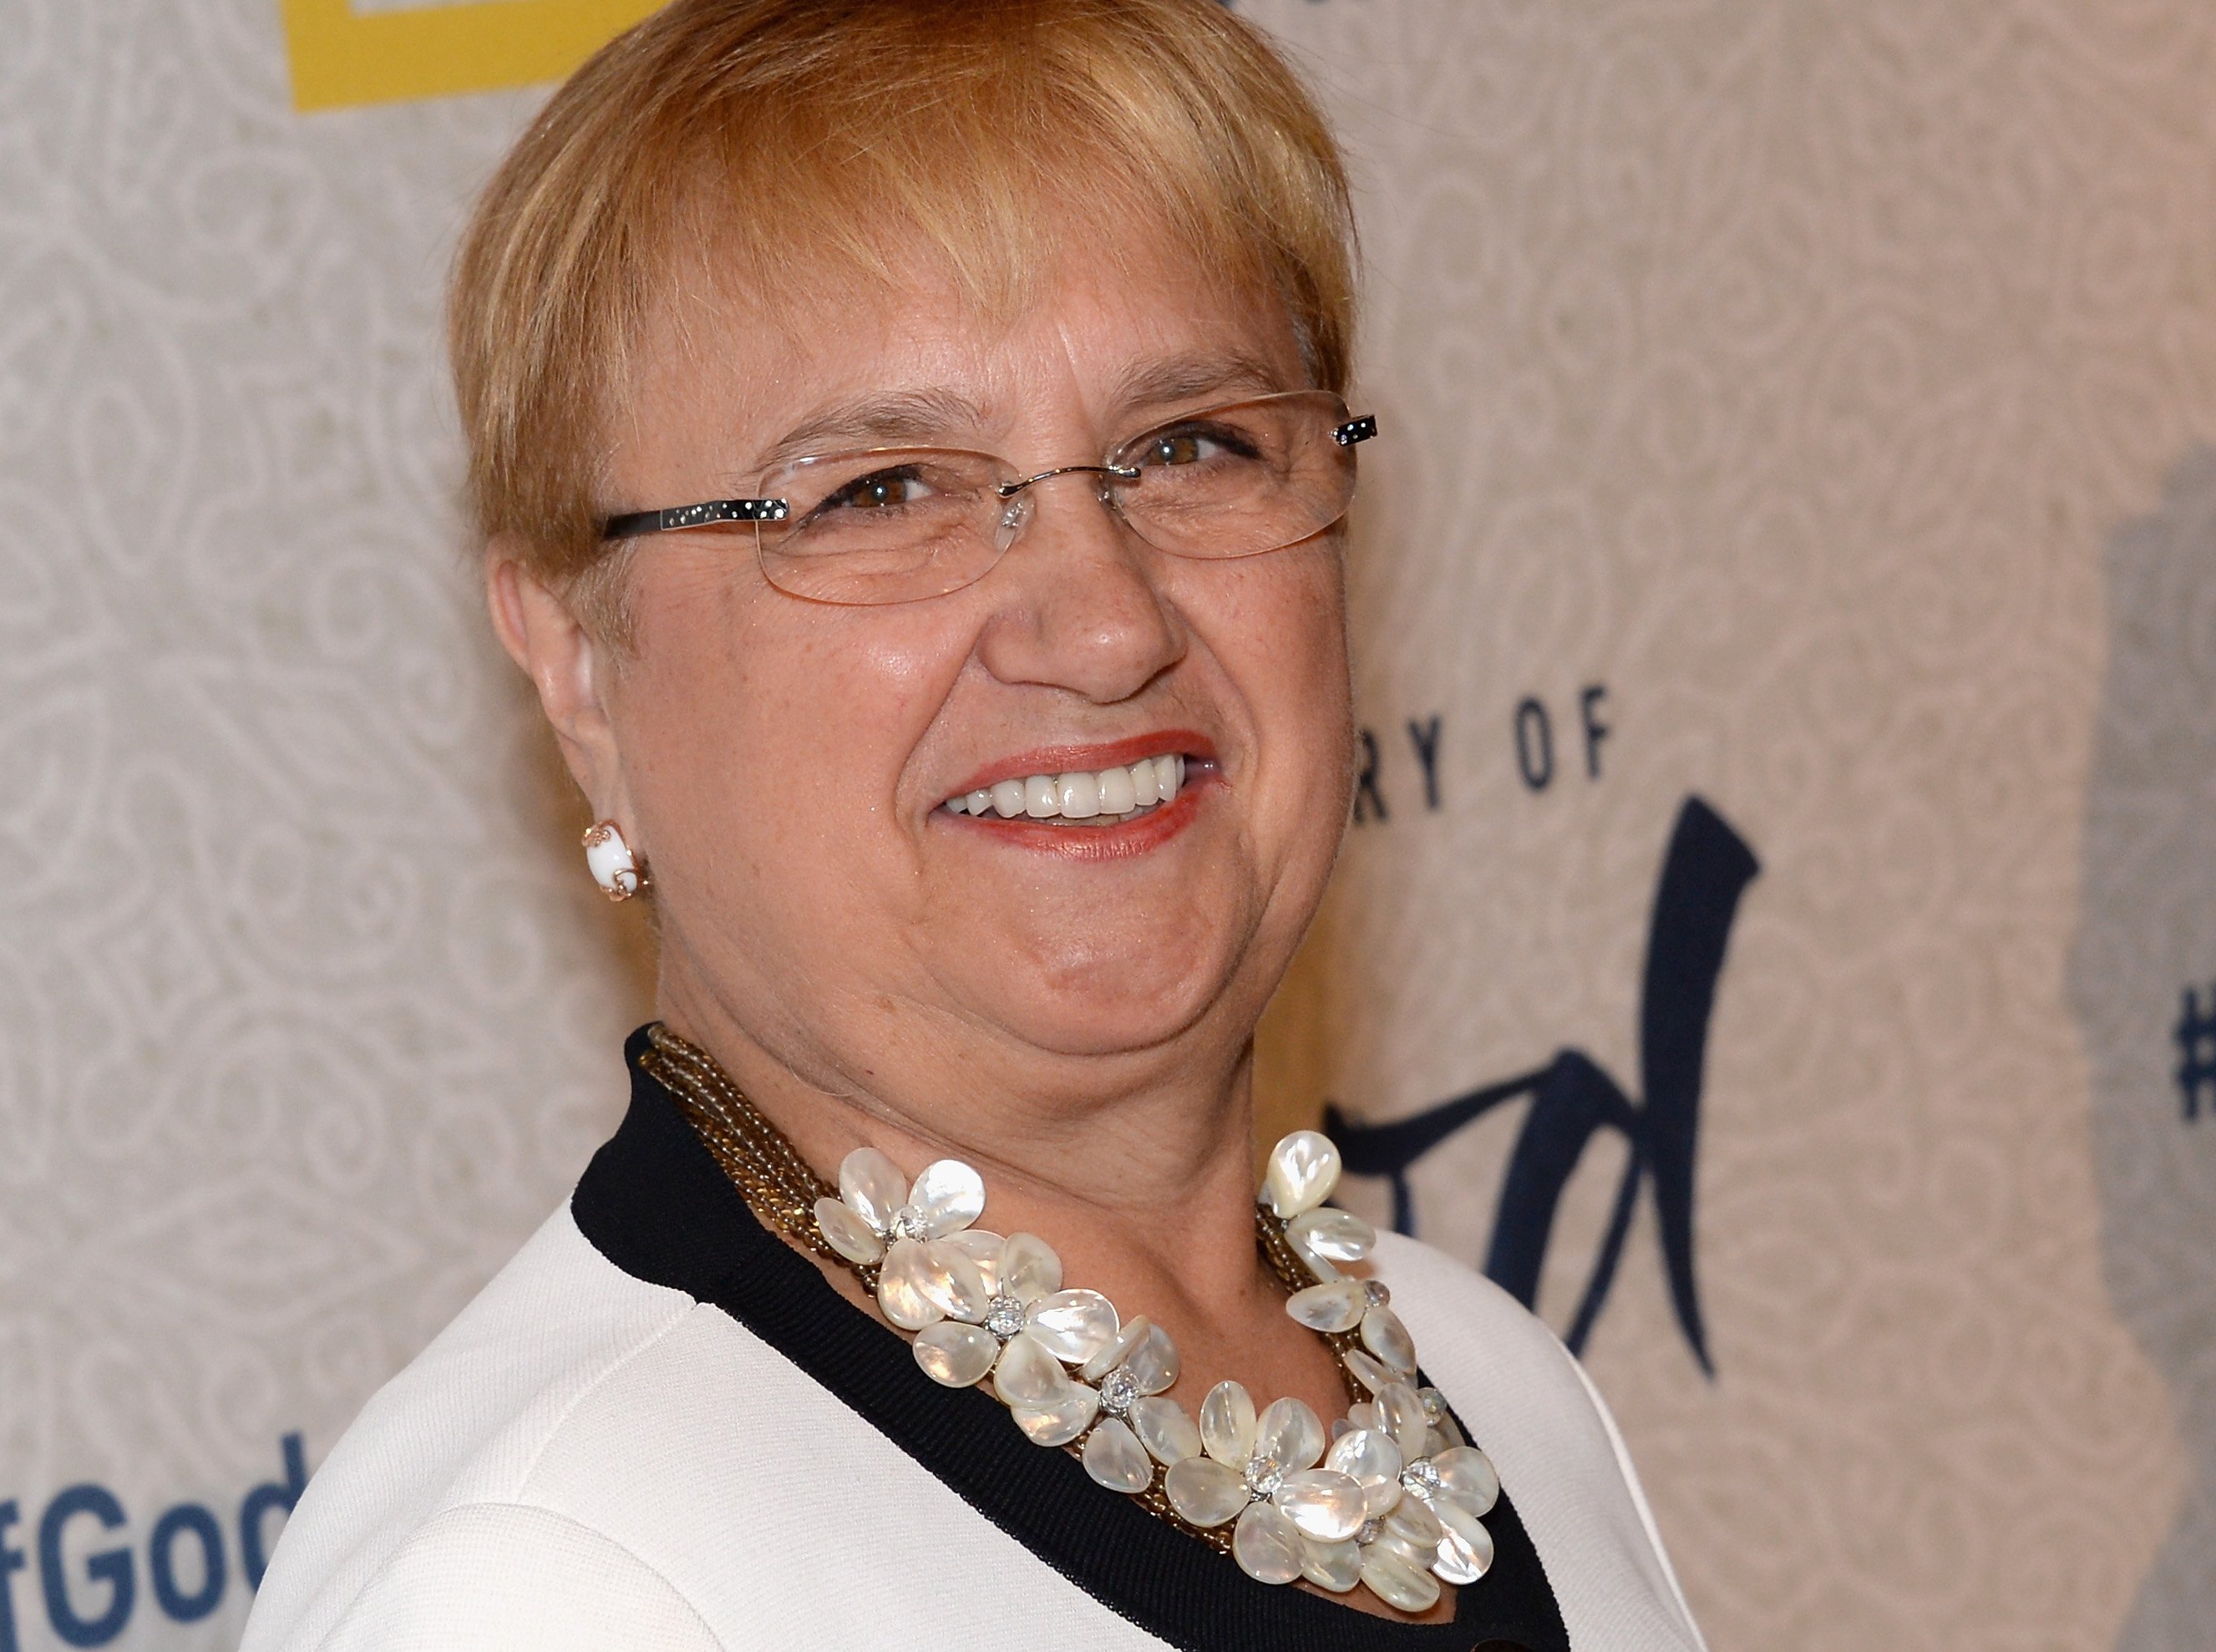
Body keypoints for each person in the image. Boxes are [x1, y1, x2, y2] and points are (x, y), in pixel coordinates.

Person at [241, 2, 1706, 1647]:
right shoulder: (557, 1580)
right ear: (579, 664)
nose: (1103, 624)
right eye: (880, 489)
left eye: (1193, 444)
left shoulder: (1493, 1387)